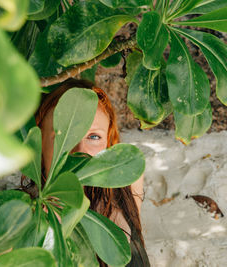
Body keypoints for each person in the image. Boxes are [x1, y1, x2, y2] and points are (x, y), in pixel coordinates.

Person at [24, 78, 150, 267]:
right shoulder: (19, 217)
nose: (80, 151)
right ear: (38, 145)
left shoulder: (128, 182)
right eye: (63, 137)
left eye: (93, 136)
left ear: (108, 142)